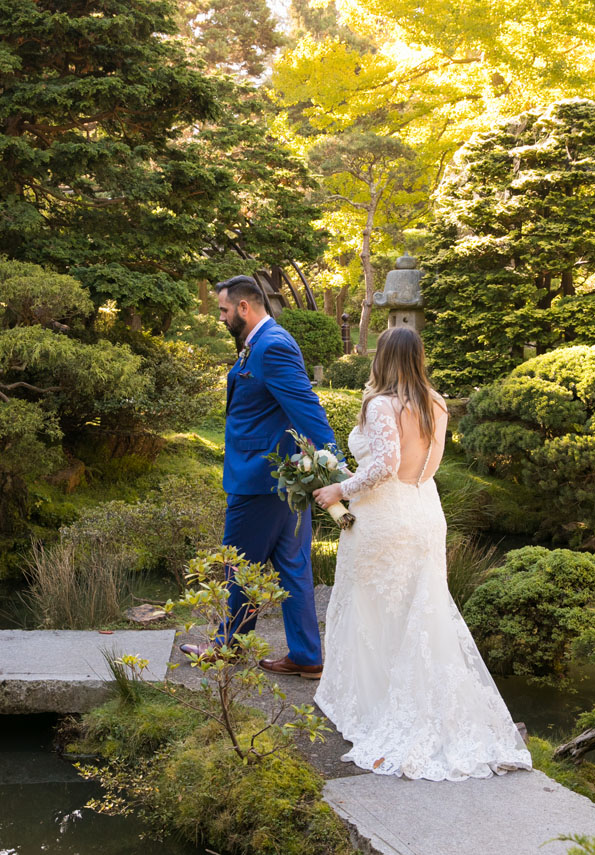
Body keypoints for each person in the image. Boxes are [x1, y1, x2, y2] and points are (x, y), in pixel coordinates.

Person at [312, 326, 532, 781]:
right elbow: (423, 468)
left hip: (383, 519)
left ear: (383, 358)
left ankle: (378, 703)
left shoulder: (381, 404)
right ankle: (421, 699)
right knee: (418, 609)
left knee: (372, 608)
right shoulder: (436, 402)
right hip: (424, 511)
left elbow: (384, 467)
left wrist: (339, 487)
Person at [180, 275, 336, 678]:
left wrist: (334, 462)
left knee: (238, 566)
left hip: (261, 480)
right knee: (293, 568)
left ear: (244, 308)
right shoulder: (261, 344)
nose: (221, 317)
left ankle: (225, 647)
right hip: (281, 478)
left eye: (223, 310)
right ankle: (306, 655)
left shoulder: (273, 346)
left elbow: (306, 406)